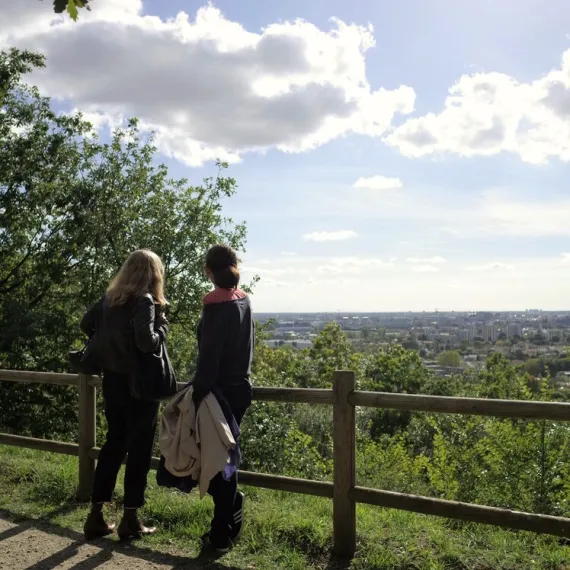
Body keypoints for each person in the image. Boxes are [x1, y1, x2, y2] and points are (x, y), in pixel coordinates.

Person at [81, 249, 169, 541]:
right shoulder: (143, 300)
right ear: (153, 274)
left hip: (113, 383)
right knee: (140, 450)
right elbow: (146, 343)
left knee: (113, 445)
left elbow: (85, 324)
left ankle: (95, 516)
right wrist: (162, 328)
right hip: (139, 386)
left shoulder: (109, 300)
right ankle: (130, 519)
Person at [193, 244, 254, 552]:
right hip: (241, 388)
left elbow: (209, 358)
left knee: (219, 460)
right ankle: (225, 521)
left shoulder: (215, 304)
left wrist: (196, 393)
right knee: (225, 458)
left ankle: (221, 531)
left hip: (218, 394)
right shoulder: (244, 301)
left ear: (208, 270)